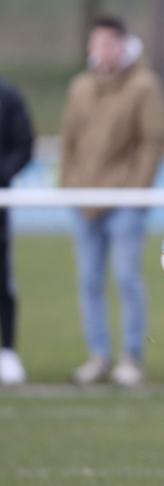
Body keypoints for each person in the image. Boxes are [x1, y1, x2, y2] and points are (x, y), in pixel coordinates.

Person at [60, 15, 164, 387]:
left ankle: (131, 357)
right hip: (85, 201)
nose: (100, 50)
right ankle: (99, 356)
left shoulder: (143, 86)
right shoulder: (80, 87)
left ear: (122, 45)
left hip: (124, 202)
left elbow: (152, 142)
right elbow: (68, 142)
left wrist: (136, 192)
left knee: (126, 279)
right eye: (95, 43)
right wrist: (70, 185)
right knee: (89, 281)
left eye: (107, 43)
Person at [0, 77, 34, 386]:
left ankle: (7, 351)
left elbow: (24, 145)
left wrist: (3, 174)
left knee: (2, 278)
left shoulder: (8, 97)